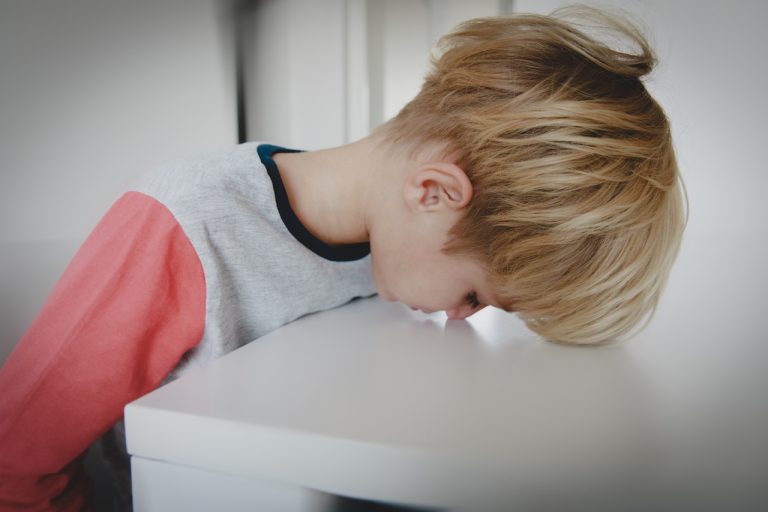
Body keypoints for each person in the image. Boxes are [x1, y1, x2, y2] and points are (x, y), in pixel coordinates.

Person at [0, 6, 686, 511]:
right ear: (433, 192)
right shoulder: (183, 224)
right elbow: (15, 463)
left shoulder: (389, 250)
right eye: (476, 296)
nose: (458, 317)